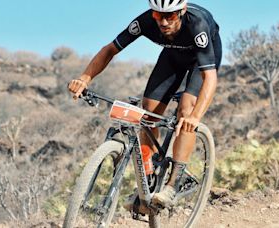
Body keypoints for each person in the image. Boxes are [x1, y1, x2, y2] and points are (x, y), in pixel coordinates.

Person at [68, 0, 222, 208]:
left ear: (182, 11)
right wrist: (85, 78)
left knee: (186, 110)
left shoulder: (197, 26)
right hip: (172, 56)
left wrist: (195, 117)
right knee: (148, 112)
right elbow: (110, 49)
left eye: (171, 16)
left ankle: (175, 182)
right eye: (159, 16)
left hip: (201, 60)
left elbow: (210, 79)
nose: (164, 22)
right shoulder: (145, 22)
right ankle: (147, 179)